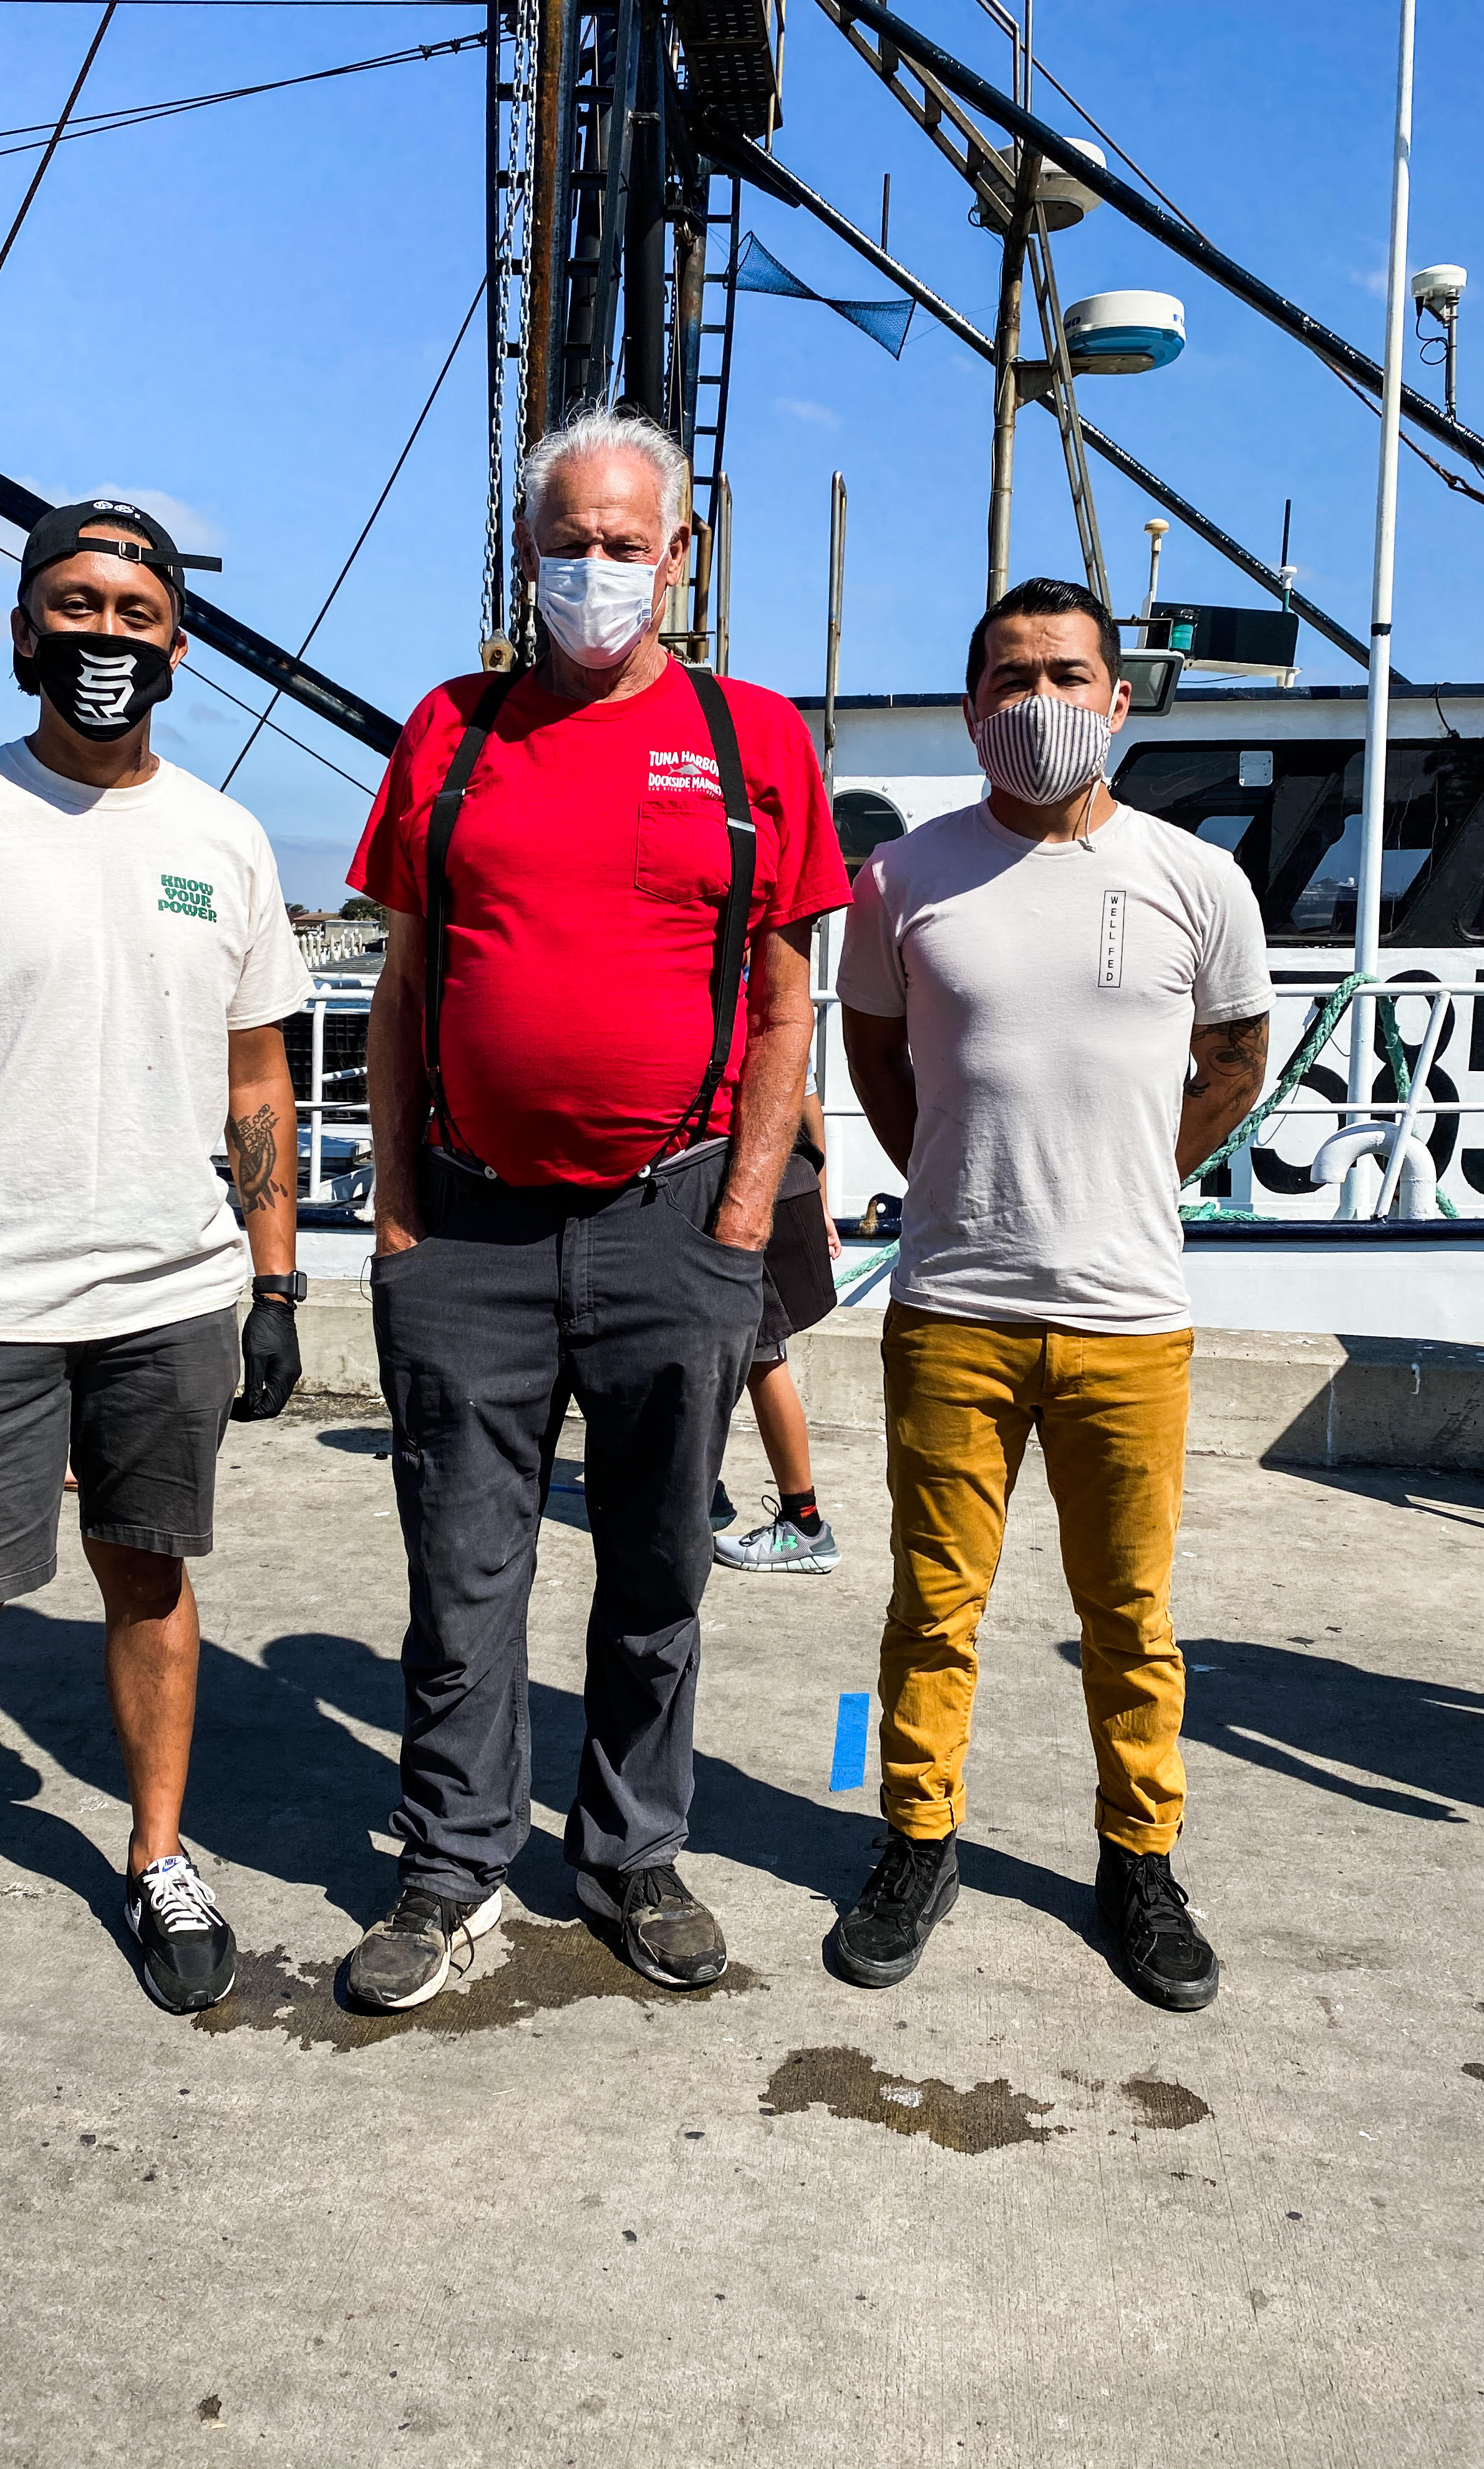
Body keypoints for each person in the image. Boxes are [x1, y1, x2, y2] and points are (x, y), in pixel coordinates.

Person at [0, 499, 315, 2080]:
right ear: (26, 628)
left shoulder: (221, 840)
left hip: (167, 1289)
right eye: (76, 607)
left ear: (179, 646)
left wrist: (276, 1281)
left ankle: (156, 1856)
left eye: (136, 614)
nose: (107, 636)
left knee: (147, 1575)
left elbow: (259, 1074)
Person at [346, 405, 850, 2011]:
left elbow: (787, 1009)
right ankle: (449, 1865)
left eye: (626, 545)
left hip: (674, 1218)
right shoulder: (453, 728)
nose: (594, 571)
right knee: (462, 1574)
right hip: (470, 1235)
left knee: (656, 1573)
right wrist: (401, 1217)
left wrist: (740, 1221)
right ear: (527, 549)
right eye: (565, 542)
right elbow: (404, 997)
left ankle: (630, 1851)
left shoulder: (756, 736)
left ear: (679, 557)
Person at [833, 576, 1271, 2014]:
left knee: (1131, 1616)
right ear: (972, 709)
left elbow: (1237, 1059)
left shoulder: (1195, 878)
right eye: (1013, 678)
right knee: (931, 1608)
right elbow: (882, 1065)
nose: (1041, 703)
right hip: (953, 1305)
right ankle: (916, 1839)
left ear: (1118, 700)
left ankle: (1138, 1862)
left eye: (1068, 676)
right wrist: (963, 1179)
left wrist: (1139, 1176)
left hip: (1131, 1319)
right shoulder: (901, 881)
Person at [712, 1074, 844, 1573]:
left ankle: (804, 1525)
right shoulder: (771, 1005)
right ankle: (701, 1495)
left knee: (762, 1359)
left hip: (748, 1194)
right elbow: (811, 1108)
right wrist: (821, 1203)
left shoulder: (748, 1003)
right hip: (771, 1190)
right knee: (740, 1355)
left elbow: (805, 1106)